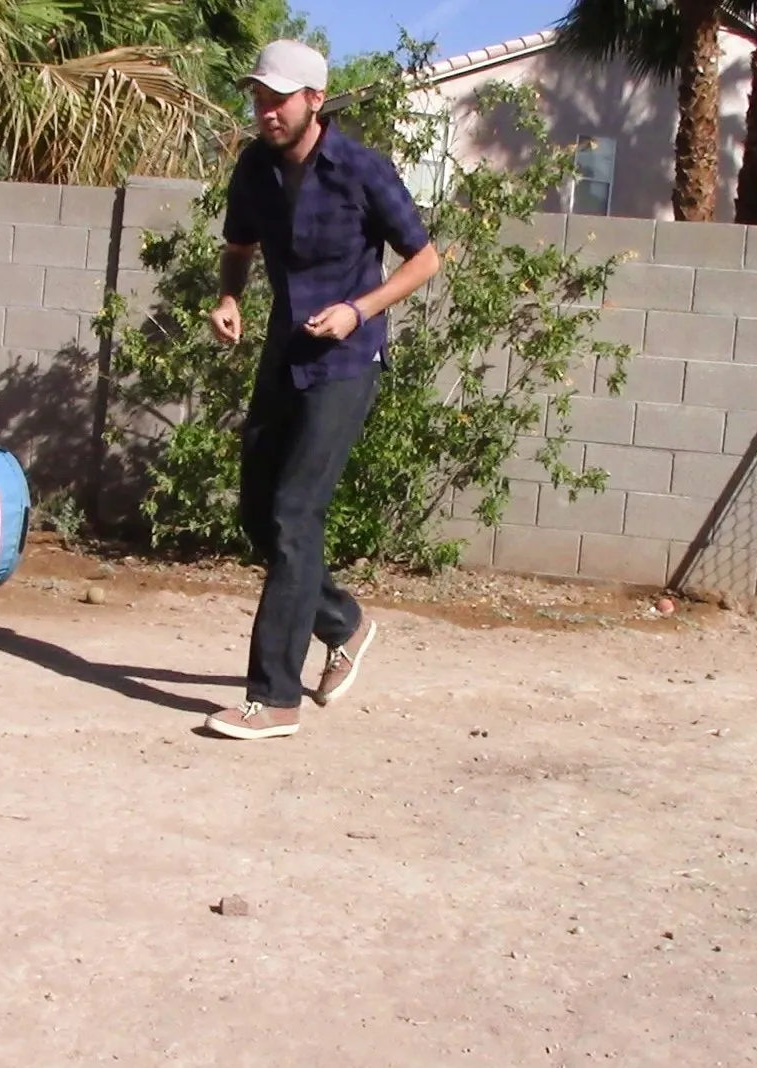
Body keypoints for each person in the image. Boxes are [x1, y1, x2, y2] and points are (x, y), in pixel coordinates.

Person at [202, 38, 441, 741]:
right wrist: (229, 297)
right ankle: (342, 622)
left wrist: (357, 311)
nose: (266, 112)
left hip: (346, 361)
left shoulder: (361, 169)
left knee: (294, 513)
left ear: (314, 100)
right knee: (258, 513)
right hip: (284, 354)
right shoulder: (254, 167)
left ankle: (274, 697)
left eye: (278, 100)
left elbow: (424, 259)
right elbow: (239, 247)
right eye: (258, 99)